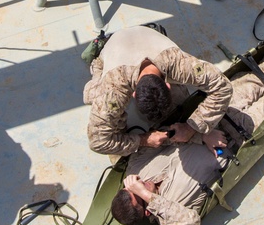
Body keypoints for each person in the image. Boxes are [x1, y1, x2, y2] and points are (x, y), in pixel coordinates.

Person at [111, 5, 264, 225]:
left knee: (260, 75)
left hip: (211, 119)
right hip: (237, 138)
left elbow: (163, 138)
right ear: (147, 210)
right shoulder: (171, 217)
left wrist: (201, 135)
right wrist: (151, 197)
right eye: (140, 193)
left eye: (133, 186)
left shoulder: (136, 170)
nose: (142, 183)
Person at [84, 25, 233, 157]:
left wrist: (192, 127)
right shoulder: (114, 88)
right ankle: (97, 64)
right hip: (113, 48)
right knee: (94, 99)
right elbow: (98, 142)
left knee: (180, 100)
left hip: (145, 37)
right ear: (133, 95)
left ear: (168, 85)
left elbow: (223, 87)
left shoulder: (179, 64)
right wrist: (143, 140)